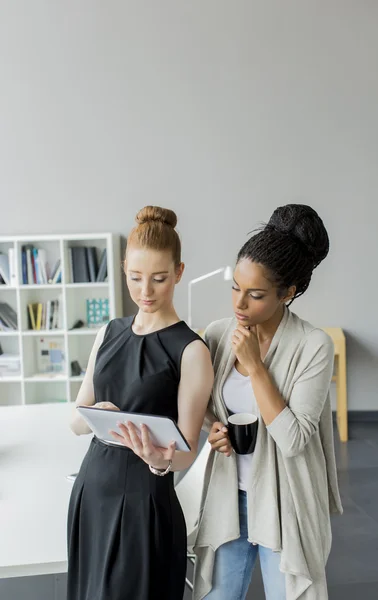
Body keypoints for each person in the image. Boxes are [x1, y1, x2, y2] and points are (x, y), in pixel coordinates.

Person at [192, 204, 343, 600]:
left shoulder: (313, 346)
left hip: (286, 502)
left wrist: (257, 368)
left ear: (287, 293)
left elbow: (294, 440)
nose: (239, 304)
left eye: (255, 295)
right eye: (234, 288)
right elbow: (206, 406)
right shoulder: (219, 334)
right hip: (230, 497)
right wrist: (216, 430)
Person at [67, 206, 214, 600]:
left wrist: (157, 456)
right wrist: (101, 416)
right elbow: (77, 420)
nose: (145, 292)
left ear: (179, 273)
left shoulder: (190, 350)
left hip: (144, 502)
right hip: (93, 489)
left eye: (159, 279)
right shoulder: (109, 332)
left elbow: (186, 452)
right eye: (135, 278)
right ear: (123, 269)